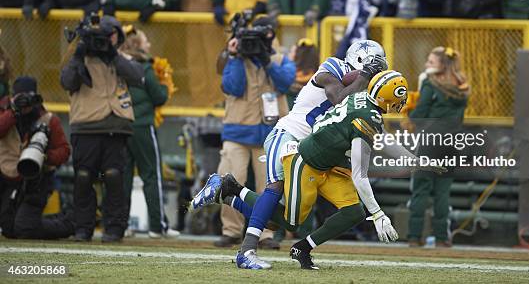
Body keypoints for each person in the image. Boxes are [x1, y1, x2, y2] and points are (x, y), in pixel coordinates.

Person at [193, 70, 422, 269]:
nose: (400, 103)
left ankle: (302, 248)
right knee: (291, 221)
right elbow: (360, 174)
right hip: (307, 164)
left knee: (354, 211)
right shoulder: (366, 116)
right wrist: (379, 214)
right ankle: (231, 189)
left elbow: (383, 139)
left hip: (328, 167)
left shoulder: (364, 103)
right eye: (399, 96)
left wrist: (416, 161)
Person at [213, 15, 296, 249]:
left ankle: (265, 234)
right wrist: (237, 56)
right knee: (231, 181)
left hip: (271, 134)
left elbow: (285, 83)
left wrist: (266, 60)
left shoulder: (280, 58)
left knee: (269, 187)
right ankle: (230, 230)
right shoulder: (236, 56)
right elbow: (233, 87)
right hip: (237, 131)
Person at [60, 15, 144, 242]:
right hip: (85, 124)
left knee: (114, 176)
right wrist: (79, 54)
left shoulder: (120, 57)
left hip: (116, 125)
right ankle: (82, 228)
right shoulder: (77, 57)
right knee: (84, 177)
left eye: (112, 34)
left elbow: (138, 76)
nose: (106, 40)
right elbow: (67, 81)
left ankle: (114, 228)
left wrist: (112, 55)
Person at [119, 26, 180, 239]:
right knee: (151, 175)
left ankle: (121, 224)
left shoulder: (117, 65)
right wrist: (164, 83)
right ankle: (157, 226)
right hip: (143, 125)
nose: (149, 45)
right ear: (136, 45)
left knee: (123, 176)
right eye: (146, 41)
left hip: (121, 126)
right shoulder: (145, 67)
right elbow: (159, 97)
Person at [408, 47, 469, 247]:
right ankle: (442, 238)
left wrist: (410, 109)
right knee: (443, 192)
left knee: (421, 189)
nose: (427, 65)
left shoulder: (430, 83)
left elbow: (420, 114)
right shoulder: (462, 85)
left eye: (431, 62)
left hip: (430, 141)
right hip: (452, 143)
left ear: (442, 65)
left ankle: (414, 236)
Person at [0, 76, 73, 239]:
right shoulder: (5, 113)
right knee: (9, 229)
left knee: (24, 229)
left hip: (36, 181)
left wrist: (44, 156)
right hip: (8, 180)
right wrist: (13, 112)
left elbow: (64, 151)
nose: (26, 104)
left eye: (29, 98)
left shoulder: (47, 119)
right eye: (21, 98)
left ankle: (68, 223)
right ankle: (54, 220)